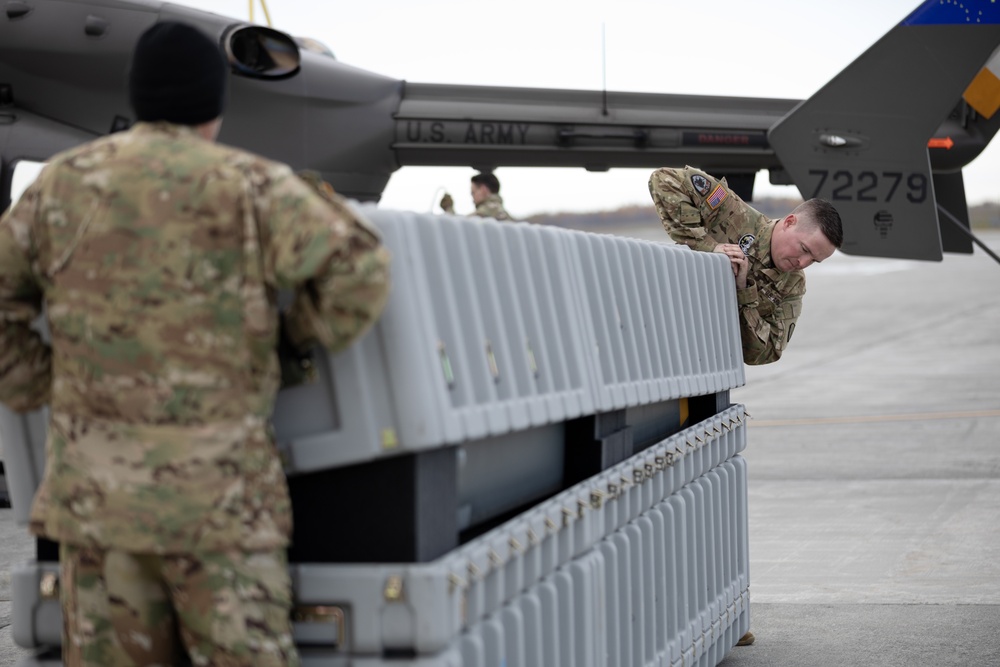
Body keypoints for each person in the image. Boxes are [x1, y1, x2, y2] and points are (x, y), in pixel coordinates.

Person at [0, 21, 390, 667]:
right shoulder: (252, 184)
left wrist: (46, 382)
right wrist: (283, 351)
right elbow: (361, 269)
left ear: (138, 97)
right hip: (222, 507)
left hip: (99, 509)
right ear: (215, 104)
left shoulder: (60, 187)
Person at [649, 165, 842, 366]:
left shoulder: (792, 284)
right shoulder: (735, 214)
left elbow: (766, 353)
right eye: (804, 249)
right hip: (662, 330)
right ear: (789, 222)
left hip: (707, 361)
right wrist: (709, 249)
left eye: (813, 260)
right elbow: (663, 179)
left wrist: (743, 293)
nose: (802, 263)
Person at [439, 171, 513, 220]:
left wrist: (448, 209)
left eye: (473, 193)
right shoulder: (503, 213)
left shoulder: (488, 210)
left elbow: (461, 226)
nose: (472, 198)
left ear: (483, 189)